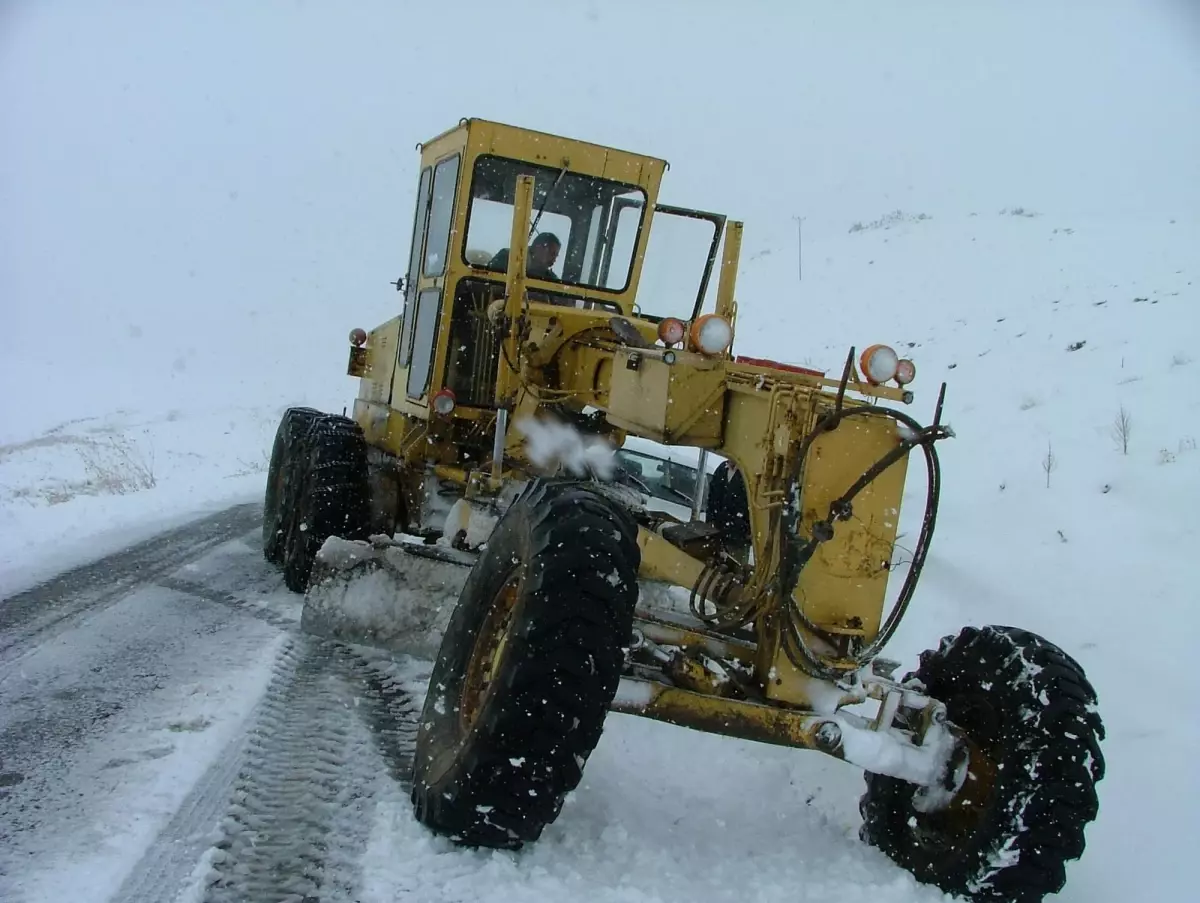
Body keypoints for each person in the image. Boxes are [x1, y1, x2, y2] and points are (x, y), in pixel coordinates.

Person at [707, 458, 750, 563]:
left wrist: (749, 530)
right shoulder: (721, 469)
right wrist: (709, 520)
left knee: (735, 568)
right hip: (717, 533)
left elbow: (752, 505)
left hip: (738, 535)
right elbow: (712, 498)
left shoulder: (747, 473)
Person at [488, 232, 562, 282]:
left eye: (556, 256)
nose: (554, 259)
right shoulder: (507, 258)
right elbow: (489, 283)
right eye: (552, 254)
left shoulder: (548, 276)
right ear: (539, 248)